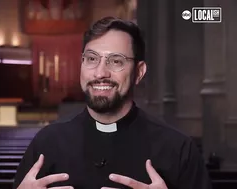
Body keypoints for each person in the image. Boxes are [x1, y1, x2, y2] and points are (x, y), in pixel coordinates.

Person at [12, 17, 212, 189]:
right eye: (91, 59)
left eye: (116, 61)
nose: (100, 73)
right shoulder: (46, 143)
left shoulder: (178, 150)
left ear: (139, 72)